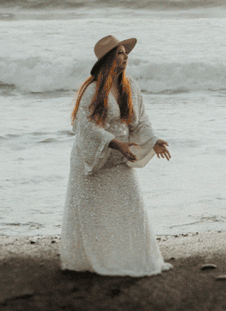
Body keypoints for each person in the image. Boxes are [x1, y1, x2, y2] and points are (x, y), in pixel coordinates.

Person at [60, 34, 172, 276]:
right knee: (94, 215)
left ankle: (129, 258)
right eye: (120, 53)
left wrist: (153, 141)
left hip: (119, 160)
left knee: (130, 209)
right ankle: (92, 259)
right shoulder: (92, 90)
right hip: (92, 161)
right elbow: (85, 127)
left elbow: (140, 121)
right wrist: (115, 143)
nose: (125, 57)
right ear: (109, 58)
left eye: (125, 53)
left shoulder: (130, 86)